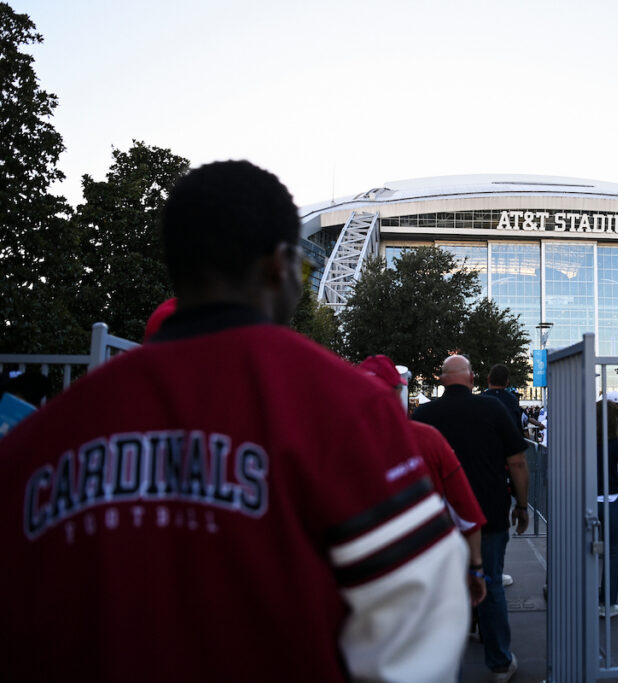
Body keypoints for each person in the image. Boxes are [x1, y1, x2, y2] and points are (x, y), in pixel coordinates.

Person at [0, 160, 470, 683]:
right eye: (304, 272)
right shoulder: (346, 410)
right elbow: (418, 617)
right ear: (280, 265)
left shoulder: (37, 440)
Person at [413, 355, 529, 683]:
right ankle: (499, 662)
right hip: (488, 512)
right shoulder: (492, 409)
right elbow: (517, 461)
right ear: (472, 378)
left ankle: (442, 662)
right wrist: (521, 505)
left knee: (441, 589)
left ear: (441, 380)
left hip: (439, 518)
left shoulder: (424, 415)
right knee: (491, 584)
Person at [357, 354, 488, 607]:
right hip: (424, 568)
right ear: (399, 392)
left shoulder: (330, 445)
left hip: (362, 577)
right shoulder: (428, 439)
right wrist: (476, 567)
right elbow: (467, 514)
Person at [596, 391, 618, 618]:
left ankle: (582, 596)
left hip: (586, 502)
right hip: (611, 501)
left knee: (584, 551)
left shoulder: (583, 441)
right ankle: (608, 603)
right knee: (612, 552)